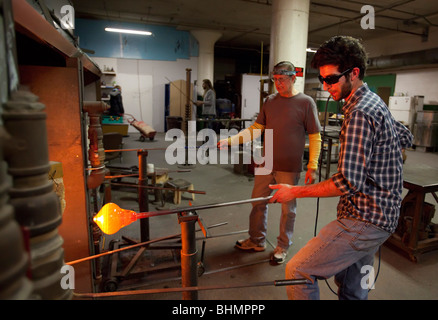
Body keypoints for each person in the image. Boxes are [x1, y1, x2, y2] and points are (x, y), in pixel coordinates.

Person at [269, 36, 414, 299]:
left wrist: (295, 191)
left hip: (366, 218)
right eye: (323, 79)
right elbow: (406, 137)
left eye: (332, 79)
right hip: (383, 214)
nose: (326, 86)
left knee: (299, 269)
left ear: (354, 73)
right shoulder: (373, 101)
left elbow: (347, 182)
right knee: (351, 288)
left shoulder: (359, 112)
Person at [218, 61, 322, 264]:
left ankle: (282, 246)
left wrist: (313, 165)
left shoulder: (306, 102)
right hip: (267, 162)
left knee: (287, 209)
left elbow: (315, 136)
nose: (278, 84)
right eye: (275, 80)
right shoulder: (270, 101)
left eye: (282, 80)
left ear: (293, 78)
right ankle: (257, 240)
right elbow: (256, 128)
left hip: (289, 166)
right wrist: (230, 140)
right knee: (257, 202)